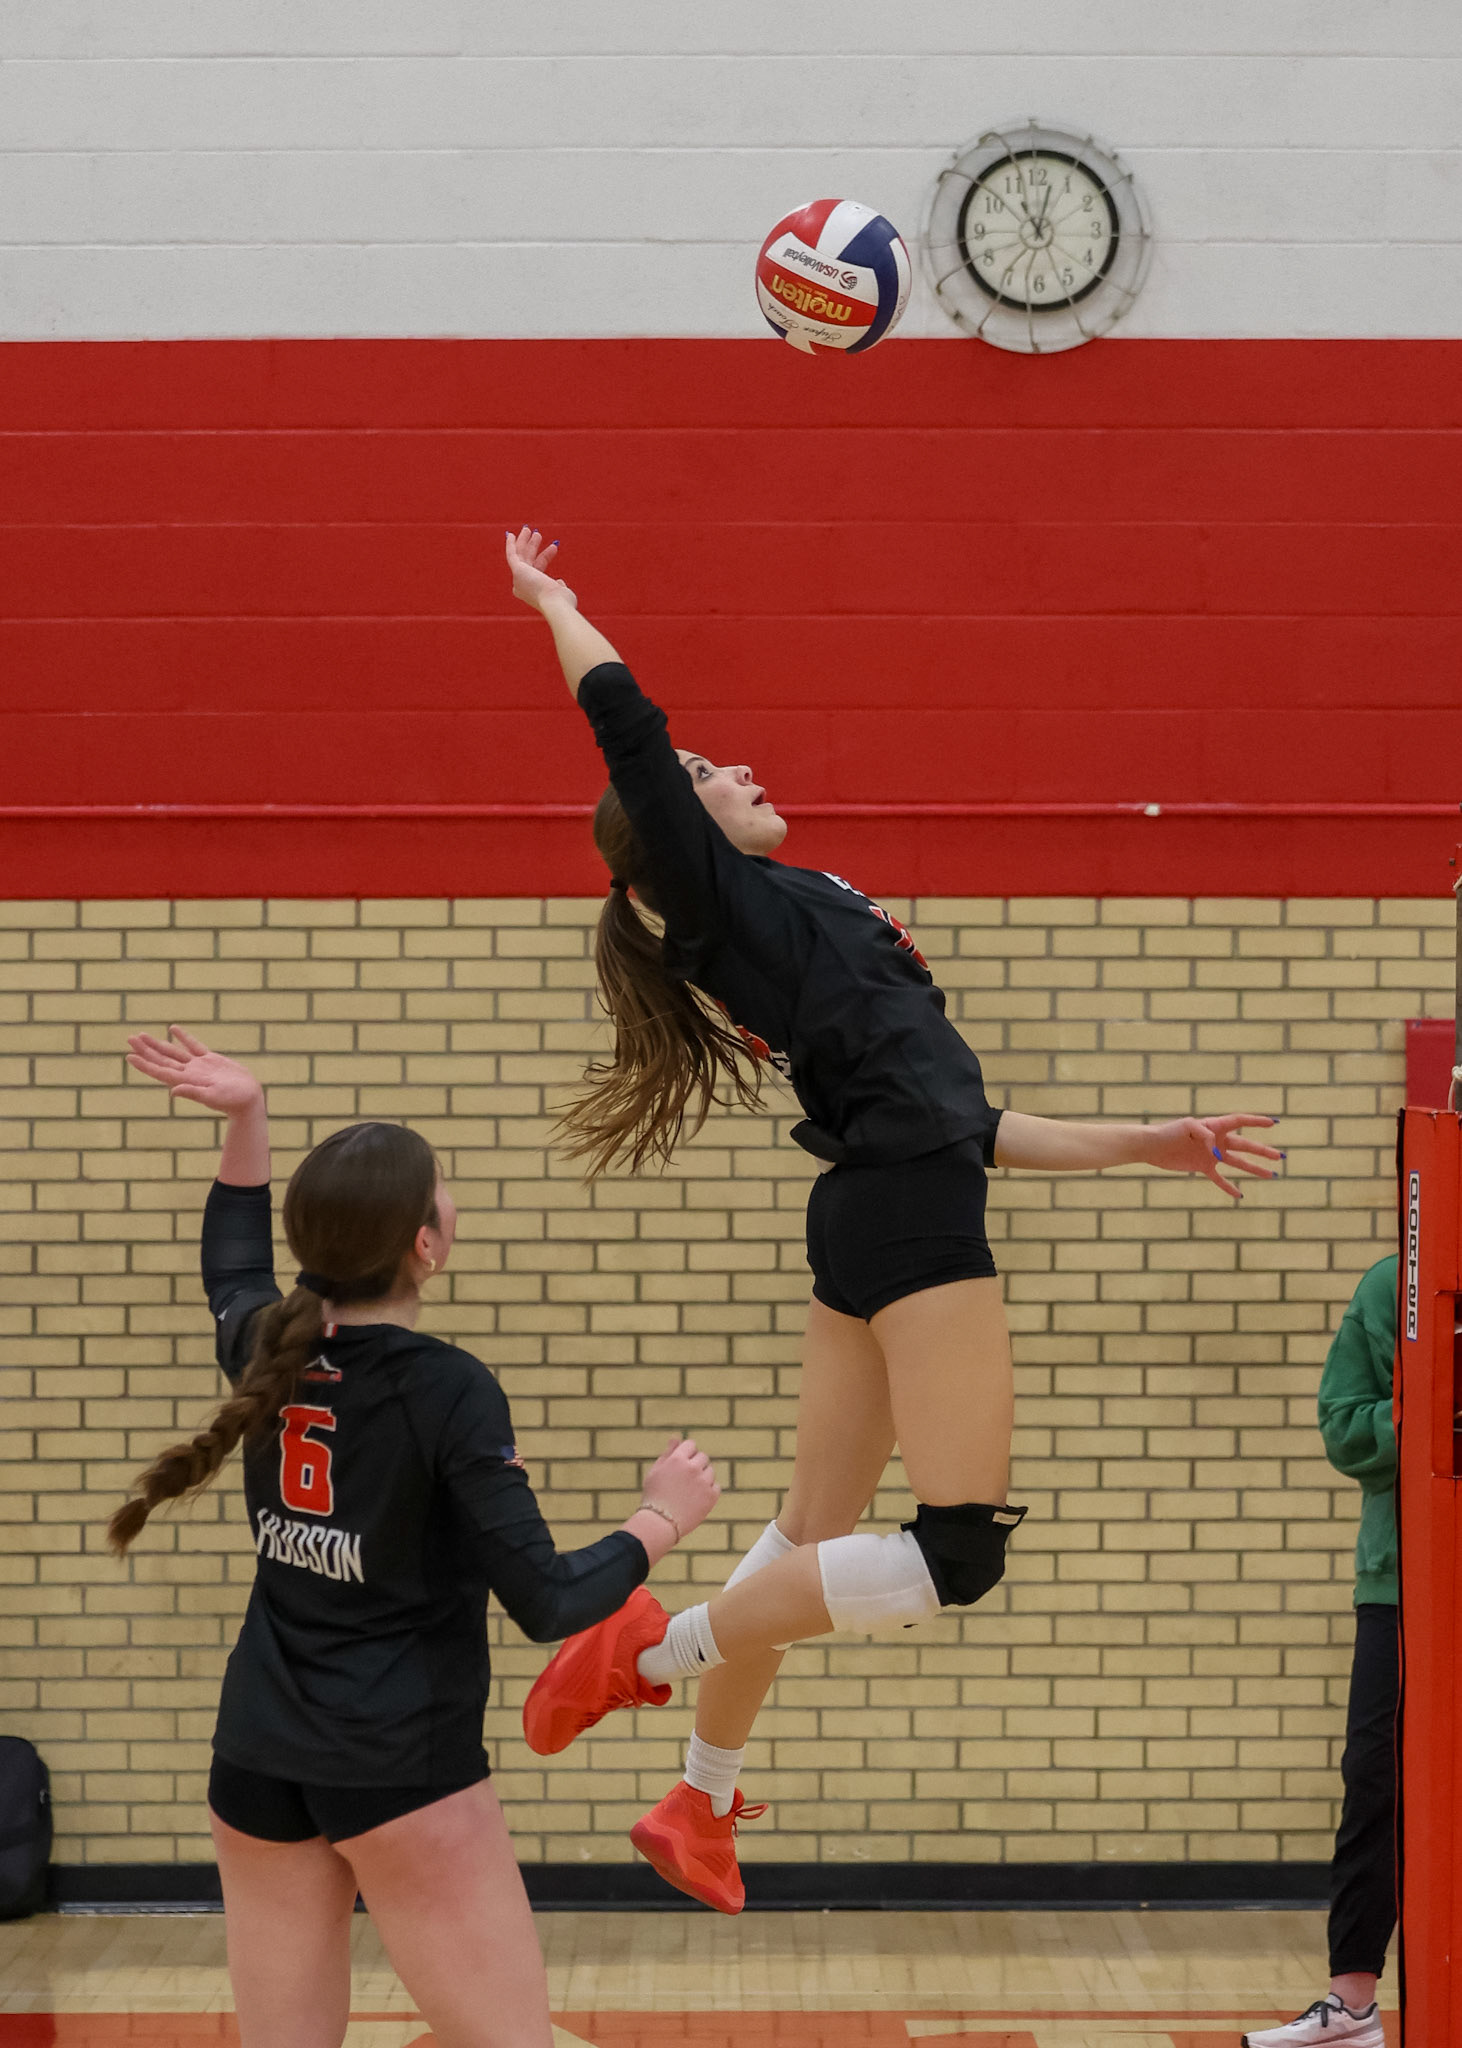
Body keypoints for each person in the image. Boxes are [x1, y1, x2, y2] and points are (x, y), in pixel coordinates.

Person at [504, 525, 1283, 1914]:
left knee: (809, 1538)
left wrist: (1144, 1145)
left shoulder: (787, 906)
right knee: (954, 1551)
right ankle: (640, 1654)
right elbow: (625, 720)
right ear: (670, 844)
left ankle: (700, 1799)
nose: (733, 769)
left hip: (880, 1200)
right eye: (705, 774)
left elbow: (960, 1117)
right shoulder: (715, 902)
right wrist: (558, 603)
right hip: (908, 1220)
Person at [110, 1026, 720, 2048]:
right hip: (399, 1762)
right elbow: (549, 1601)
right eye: (443, 1193)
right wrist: (660, 1517)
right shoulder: (447, 1387)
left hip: (257, 1755)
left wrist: (247, 1116)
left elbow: (232, 1263)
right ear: (423, 1246)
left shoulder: (269, 1343)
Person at [1242, 1255, 1397, 2048]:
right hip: (1403, 1585)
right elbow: (1343, 1424)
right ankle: (1352, 2007)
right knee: (1376, 1781)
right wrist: (1420, 1412)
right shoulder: (1393, 1285)